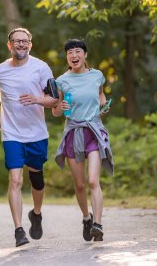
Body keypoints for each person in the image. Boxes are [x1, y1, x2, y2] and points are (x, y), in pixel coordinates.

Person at [0, 27, 58, 247]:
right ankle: (18, 230)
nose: (21, 44)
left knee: (36, 179)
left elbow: (54, 100)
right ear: (9, 45)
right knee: (15, 180)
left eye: (25, 41)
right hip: (12, 134)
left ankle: (36, 213)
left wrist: (36, 99)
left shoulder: (41, 68)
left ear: (30, 45)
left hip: (36, 133)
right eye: (17, 41)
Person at [52, 39, 114, 242]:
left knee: (93, 180)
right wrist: (61, 106)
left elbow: (100, 96)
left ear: (85, 55)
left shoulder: (97, 76)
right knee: (79, 185)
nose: (73, 55)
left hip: (93, 132)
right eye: (69, 52)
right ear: (67, 57)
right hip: (73, 133)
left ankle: (98, 224)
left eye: (77, 51)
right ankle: (86, 218)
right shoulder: (62, 80)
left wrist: (104, 106)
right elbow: (55, 111)